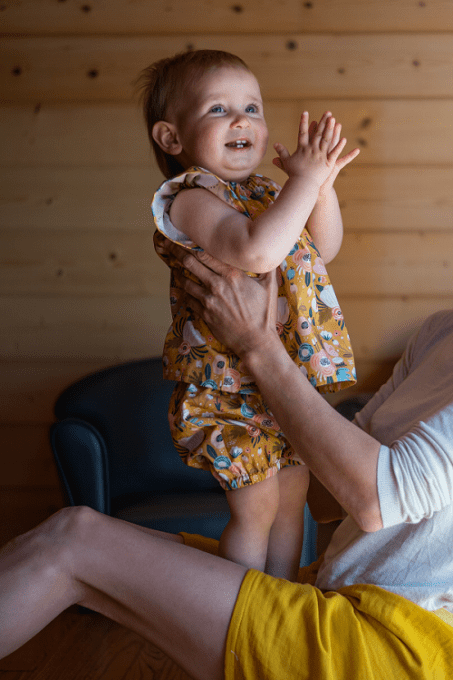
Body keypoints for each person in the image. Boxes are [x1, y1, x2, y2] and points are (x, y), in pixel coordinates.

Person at [1, 242, 453, 679]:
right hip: (333, 598)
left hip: (397, 650)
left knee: (73, 542)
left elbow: (374, 500)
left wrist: (257, 346)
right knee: (72, 539)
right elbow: (327, 495)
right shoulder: (439, 334)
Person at [139, 49, 360, 579]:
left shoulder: (264, 193)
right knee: (256, 508)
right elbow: (258, 251)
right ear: (173, 139)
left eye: (252, 108)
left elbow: (321, 248)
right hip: (229, 391)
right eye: (218, 109)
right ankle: (235, 604)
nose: (241, 119)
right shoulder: (189, 198)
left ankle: (276, 604)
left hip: (280, 385)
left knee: (291, 505)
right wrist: (302, 186)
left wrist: (321, 187)